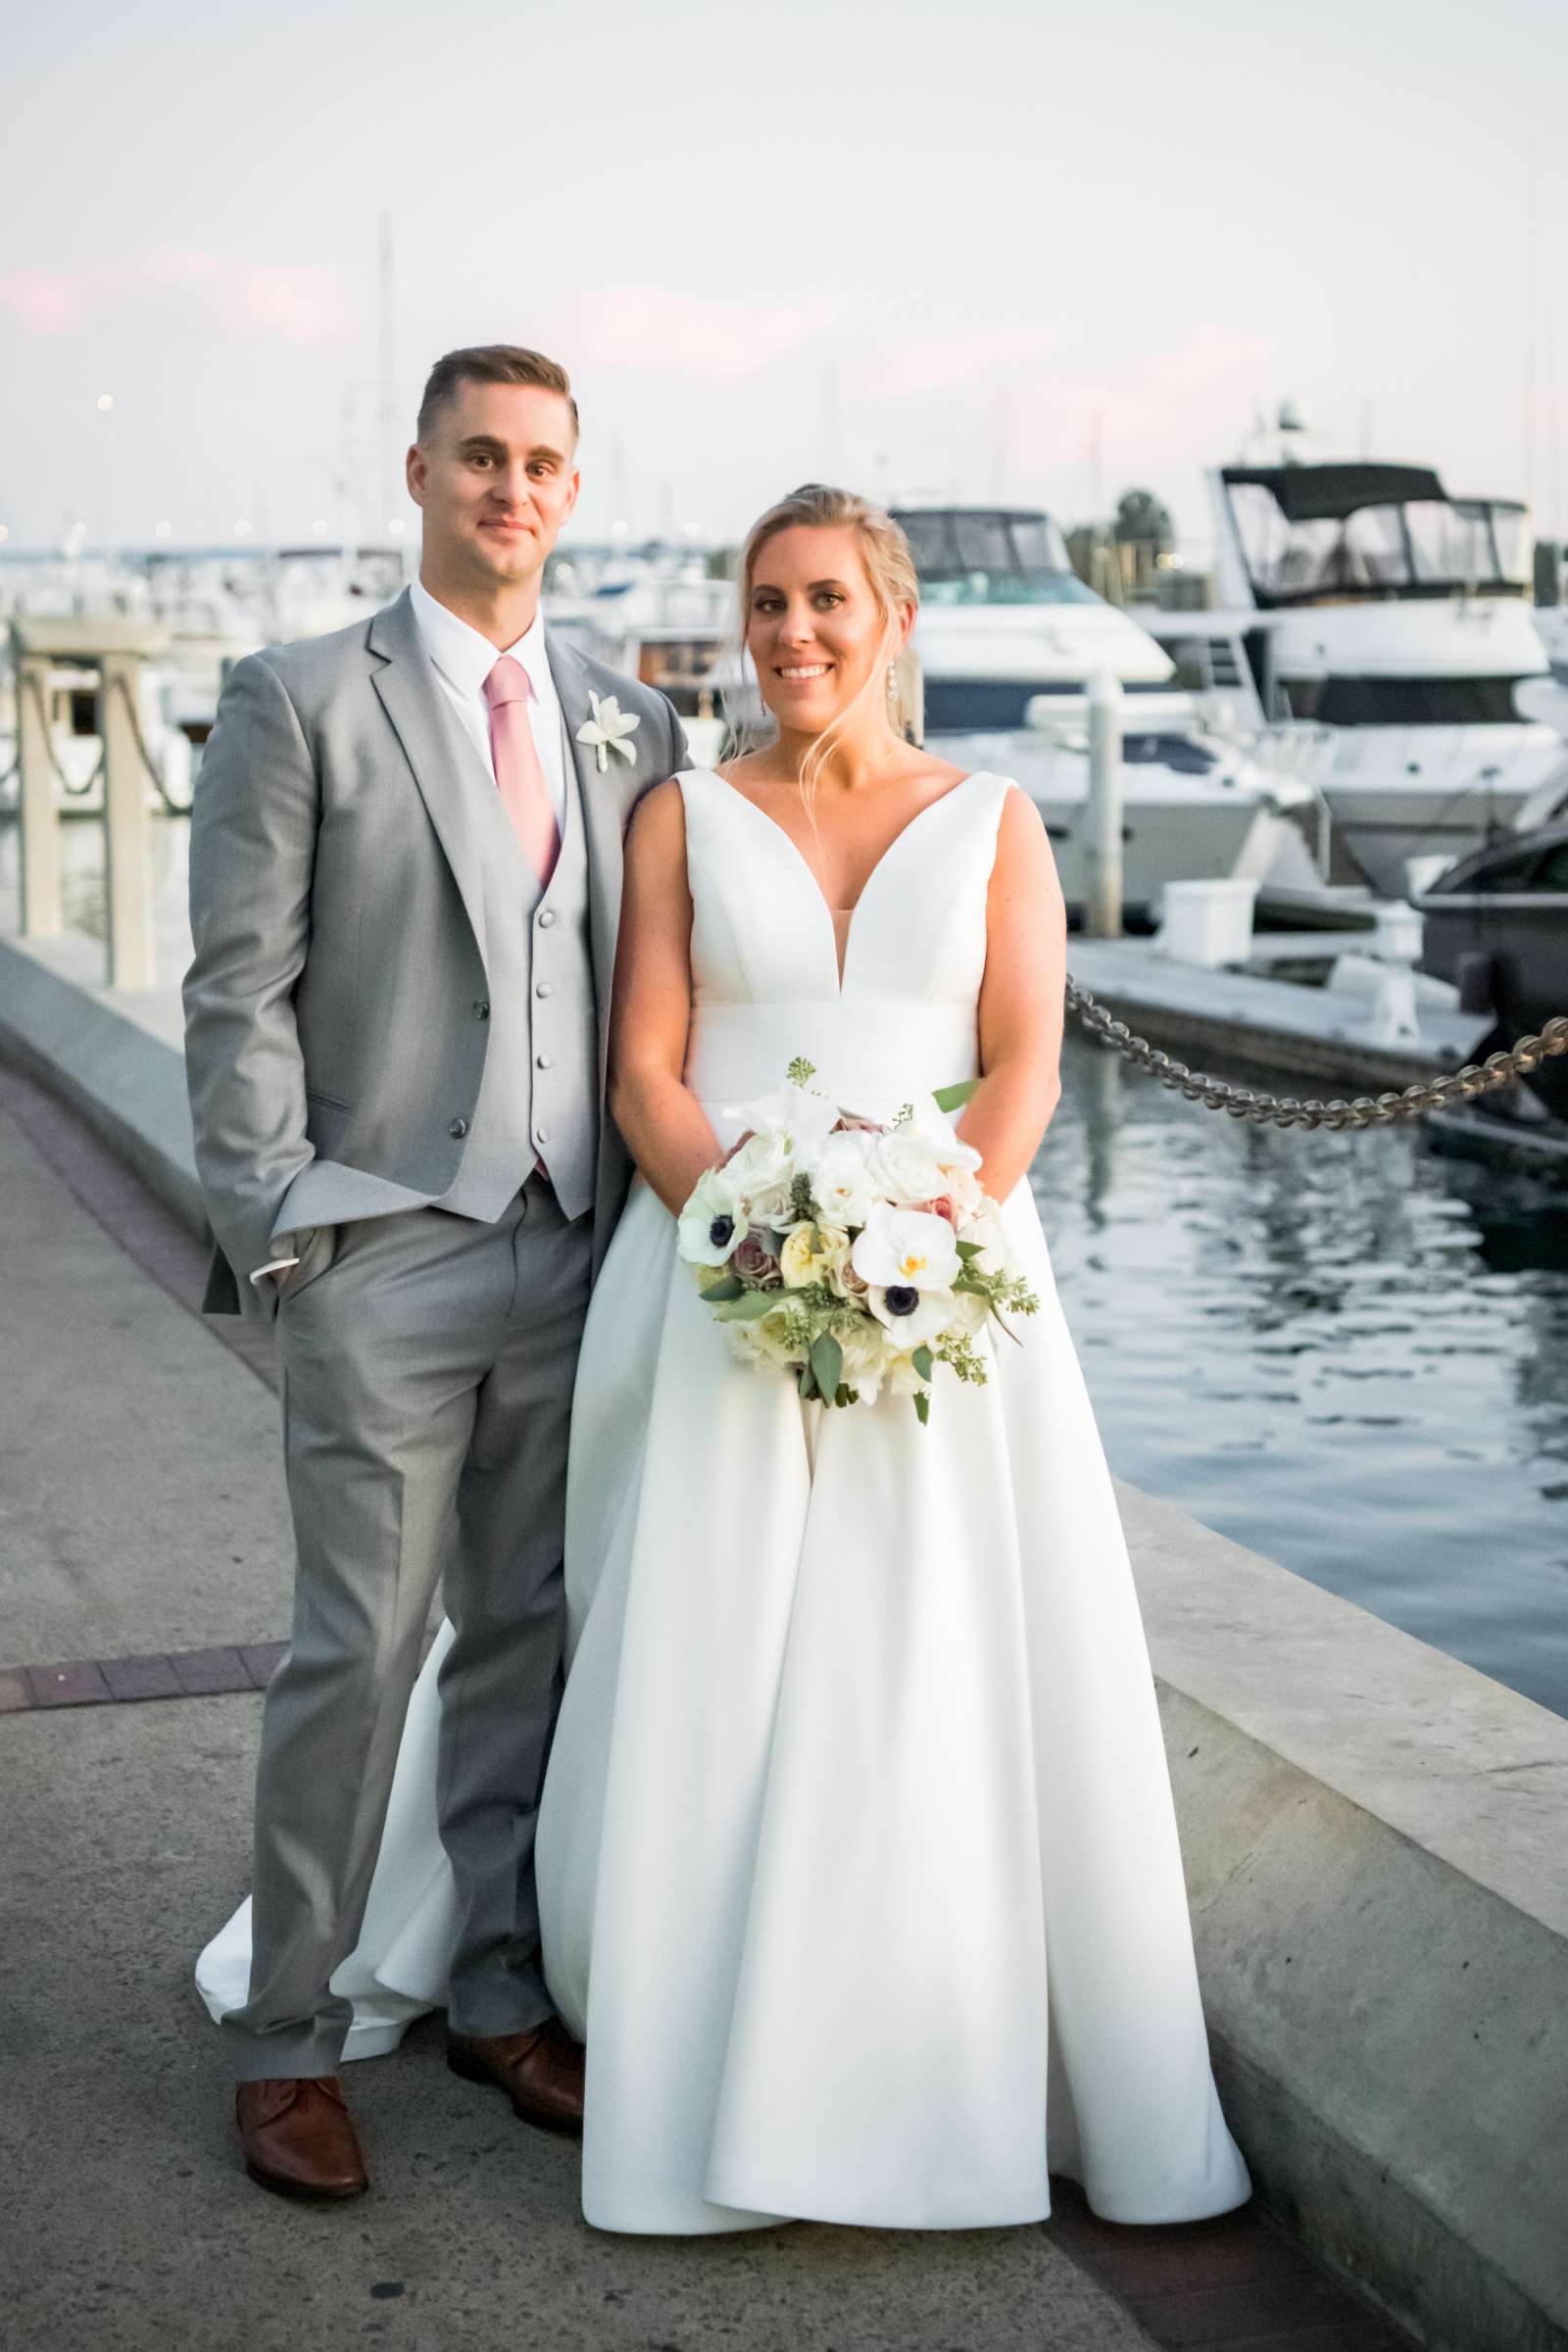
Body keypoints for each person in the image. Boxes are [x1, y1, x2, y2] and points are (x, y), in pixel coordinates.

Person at [201, 481, 1250, 2234]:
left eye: (829, 600)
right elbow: (646, 1076)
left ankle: (917, 2040)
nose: (795, 636)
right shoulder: (683, 809)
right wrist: (768, 1248)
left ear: (893, 616)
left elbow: (1024, 1070)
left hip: (948, 1301)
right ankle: (582, 2006)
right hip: (717, 1282)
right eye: (768, 604)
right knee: (667, 1640)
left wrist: (913, 1250)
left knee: (932, 1652)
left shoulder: (995, 818)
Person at [184, 344, 686, 2201]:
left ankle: (495, 1994)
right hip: (382, 1250)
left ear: (574, 486)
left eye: (545, 461)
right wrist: (286, 1228)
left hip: (581, 1246)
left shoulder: (631, 718)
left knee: (525, 1644)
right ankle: (285, 2045)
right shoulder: (297, 695)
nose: (513, 488)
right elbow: (234, 989)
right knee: (356, 1650)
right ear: (418, 473)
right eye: (482, 456)